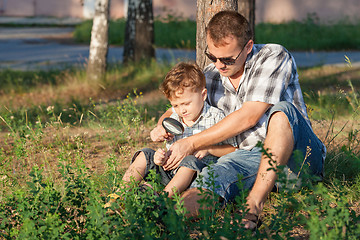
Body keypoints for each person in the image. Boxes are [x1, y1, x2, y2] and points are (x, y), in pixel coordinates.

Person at [150, 11, 326, 229]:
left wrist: (192, 142)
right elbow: (174, 109)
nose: (219, 65)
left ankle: (254, 205)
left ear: (248, 46)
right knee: (211, 179)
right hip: (245, 157)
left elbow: (249, 116)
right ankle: (159, 218)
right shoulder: (211, 75)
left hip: (297, 157)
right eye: (213, 57)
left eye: (228, 59)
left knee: (282, 111)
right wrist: (162, 124)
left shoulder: (273, 56)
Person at [122, 62, 237, 198]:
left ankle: (163, 198)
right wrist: (161, 157)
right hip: (168, 170)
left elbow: (233, 149)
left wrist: (209, 149)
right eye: (175, 105)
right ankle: (121, 193)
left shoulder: (216, 117)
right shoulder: (175, 117)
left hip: (193, 176)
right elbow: (167, 146)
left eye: (186, 104)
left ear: (203, 95)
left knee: (190, 160)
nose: (182, 110)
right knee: (145, 154)